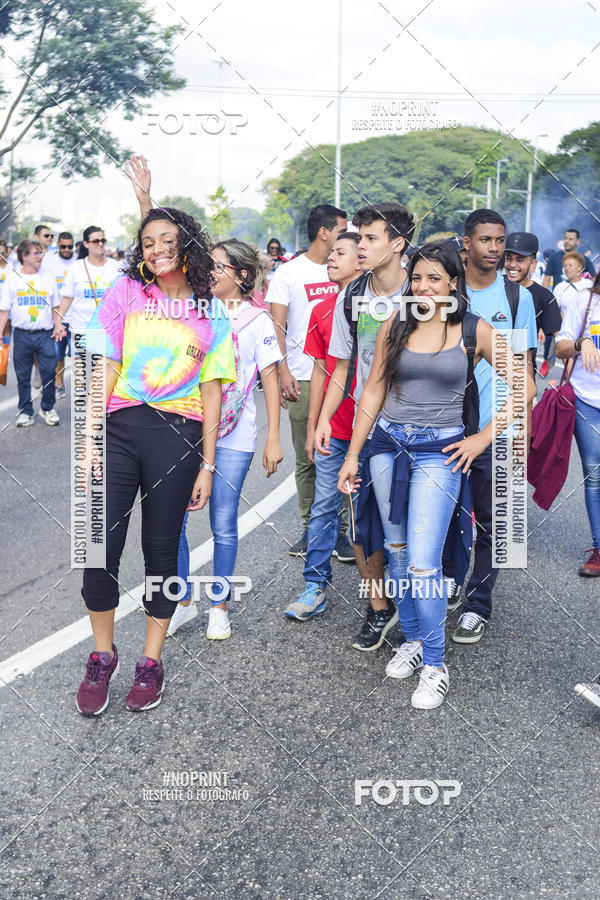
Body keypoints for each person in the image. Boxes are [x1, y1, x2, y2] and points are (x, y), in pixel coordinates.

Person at [336, 242, 536, 708]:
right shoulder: (396, 323)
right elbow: (373, 389)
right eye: (417, 278)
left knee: (425, 563)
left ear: (452, 282)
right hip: (388, 446)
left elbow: (525, 386)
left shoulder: (474, 330)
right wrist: (353, 454)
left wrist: (482, 439)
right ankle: (411, 638)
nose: (424, 286)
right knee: (399, 553)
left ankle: (434, 663)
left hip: (439, 453)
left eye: (434, 278)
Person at [75, 207, 236, 717]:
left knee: (162, 557)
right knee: (97, 547)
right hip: (120, 429)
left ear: (188, 246)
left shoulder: (213, 313)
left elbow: (213, 392)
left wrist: (208, 465)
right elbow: (105, 365)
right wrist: (87, 441)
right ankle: (103, 655)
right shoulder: (127, 293)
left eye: (168, 240)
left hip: (178, 435)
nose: (157, 248)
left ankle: (150, 662)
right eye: (147, 242)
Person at [167, 239, 284, 640]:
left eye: (220, 267)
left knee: (223, 523)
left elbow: (269, 379)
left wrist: (273, 438)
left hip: (237, 436)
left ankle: (219, 606)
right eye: (209, 265)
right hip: (187, 431)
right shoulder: (195, 311)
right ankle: (182, 601)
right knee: (174, 522)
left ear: (243, 275)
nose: (211, 272)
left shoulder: (258, 320)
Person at [314, 202, 415, 644]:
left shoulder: (425, 290)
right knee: (359, 522)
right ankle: (379, 607)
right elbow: (341, 367)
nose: (361, 247)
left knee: (413, 528)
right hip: (363, 426)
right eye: (361, 236)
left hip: (418, 429)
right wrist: (322, 419)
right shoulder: (352, 296)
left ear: (398, 244)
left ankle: (420, 618)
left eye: (371, 238)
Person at [451, 209, 537, 643]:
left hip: (497, 430)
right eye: (485, 240)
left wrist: (519, 434)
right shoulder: (447, 289)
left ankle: (478, 604)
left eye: (500, 241)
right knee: (447, 518)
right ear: (466, 243)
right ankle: (447, 582)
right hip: (448, 431)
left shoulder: (518, 298)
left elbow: (526, 371)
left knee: (495, 523)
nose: (495, 249)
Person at [284, 232, 362, 624]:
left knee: (373, 513)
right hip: (336, 428)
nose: (330, 258)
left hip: (377, 431)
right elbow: (319, 373)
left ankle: (383, 597)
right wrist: (315, 424)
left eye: (340, 253)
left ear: (361, 260)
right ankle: (314, 586)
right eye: (330, 253)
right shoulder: (321, 309)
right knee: (323, 509)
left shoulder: (381, 309)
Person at [268, 204, 347, 555]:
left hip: (345, 379)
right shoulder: (289, 273)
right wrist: (282, 369)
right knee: (309, 458)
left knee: (343, 455)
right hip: (303, 375)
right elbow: (277, 325)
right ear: (324, 233)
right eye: (343, 230)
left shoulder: (350, 269)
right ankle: (311, 528)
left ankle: (343, 531)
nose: (348, 237)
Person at [556, 271, 600, 577]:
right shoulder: (585, 301)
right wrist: (582, 342)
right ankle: (599, 550)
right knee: (595, 476)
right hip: (587, 401)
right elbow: (560, 347)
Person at [0, 240, 61, 427]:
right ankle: (25, 411)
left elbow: (55, 305)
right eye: (35, 253)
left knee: (49, 372)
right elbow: (4, 310)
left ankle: (48, 408)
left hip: (45, 334)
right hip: (22, 334)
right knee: (23, 376)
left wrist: (58, 324)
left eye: (40, 253)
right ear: (24, 256)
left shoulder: (48, 277)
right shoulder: (12, 278)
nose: (39, 256)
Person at [53, 226, 120, 355]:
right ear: (86, 244)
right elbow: (67, 298)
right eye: (96, 241)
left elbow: (122, 299)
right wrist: (58, 323)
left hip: (107, 332)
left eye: (103, 240)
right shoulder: (76, 268)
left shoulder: (115, 267)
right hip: (80, 331)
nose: (100, 244)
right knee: (83, 375)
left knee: (104, 374)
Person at [503, 232, 561, 378]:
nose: (512, 265)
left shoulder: (544, 297)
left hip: (521, 379)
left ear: (533, 264)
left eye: (520, 260)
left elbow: (560, 338)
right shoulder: (491, 287)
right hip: (485, 380)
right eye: (508, 258)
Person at [43, 231, 75, 397]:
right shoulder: (49, 261)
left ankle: (82, 389)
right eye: (63, 246)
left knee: (79, 357)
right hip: (58, 318)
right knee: (58, 355)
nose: (67, 249)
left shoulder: (79, 261)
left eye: (70, 246)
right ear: (58, 245)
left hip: (76, 318)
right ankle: (59, 384)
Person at [553, 252, 591, 316]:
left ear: (579, 268)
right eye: (565, 266)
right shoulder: (559, 287)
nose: (567, 268)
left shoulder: (589, 284)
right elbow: (554, 310)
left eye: (570, 265)